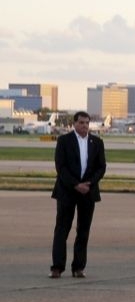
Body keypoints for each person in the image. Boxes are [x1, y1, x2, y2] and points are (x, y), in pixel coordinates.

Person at [50, 111, 106, 279]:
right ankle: (57, 267)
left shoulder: (96, 142)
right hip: (67, 191)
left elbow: (101, 167)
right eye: (81, 122)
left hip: (88, 192)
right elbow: (61, 167)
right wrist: (75, 184)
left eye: (87, 123)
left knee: (83, 231)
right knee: (62, 230)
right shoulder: (64, 141)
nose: (84, 126)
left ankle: (79, 268)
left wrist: (89, 184)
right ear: (74, 124)